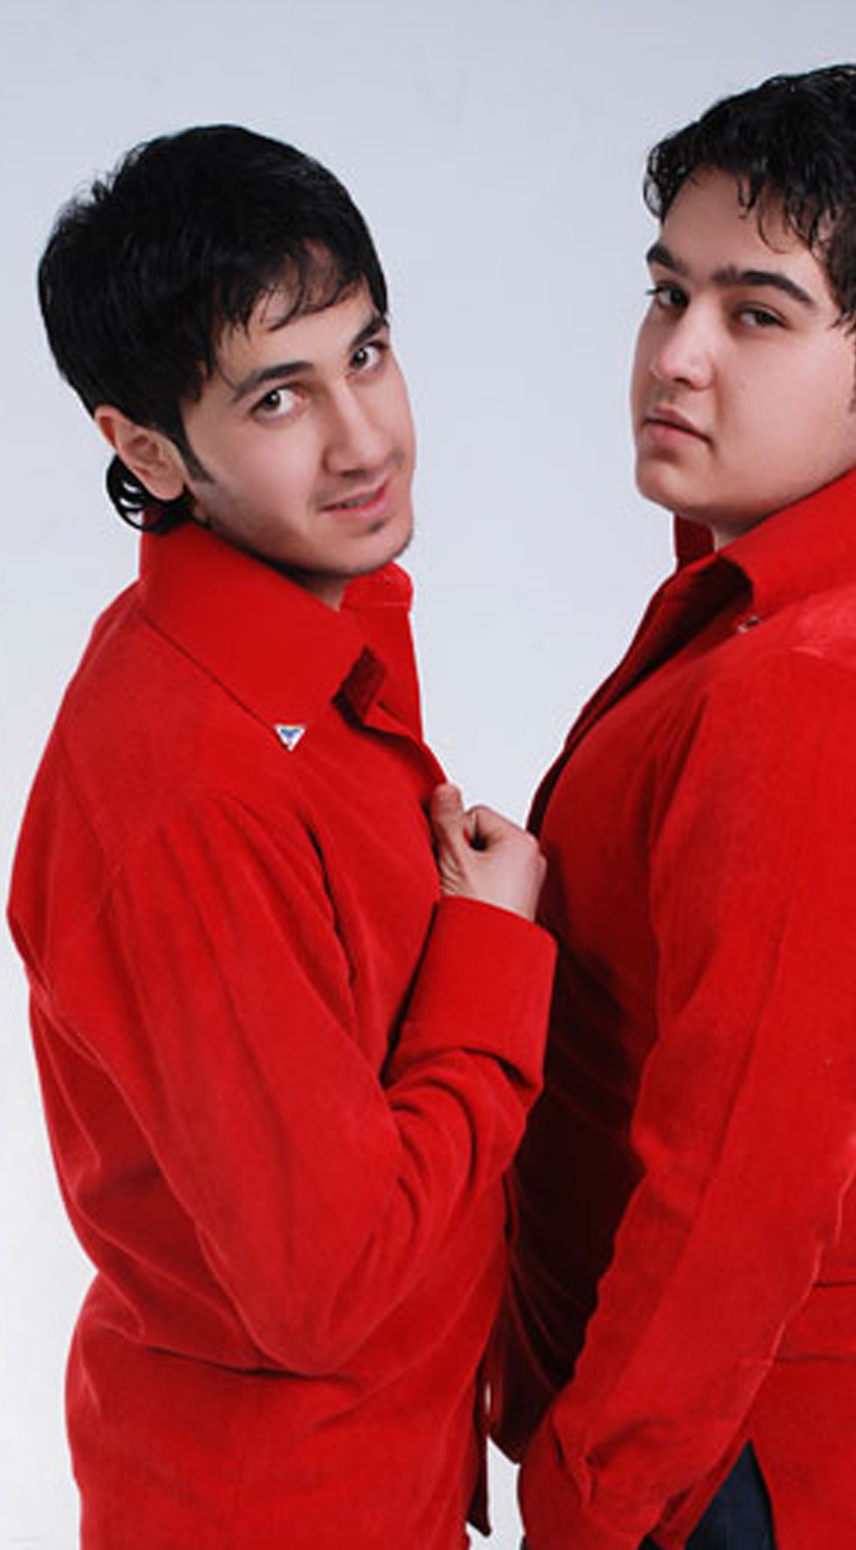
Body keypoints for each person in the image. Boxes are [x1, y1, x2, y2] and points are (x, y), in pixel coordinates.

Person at [492, 65, 856, 1550]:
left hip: (732, 1468)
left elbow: (740, 1193)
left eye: (756, 315)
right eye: (666, 293)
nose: (674, 357)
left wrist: (587, 1507)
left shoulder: (824, 690)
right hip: (764, 1434)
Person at [7, 125, 555, 1550]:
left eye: (366, 353)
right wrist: (491, 954)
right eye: (278, 397)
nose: (363, 438)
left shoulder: (324, 620)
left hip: (390, 1471)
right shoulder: (185, 787)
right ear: (148, 449)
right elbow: (326, 1284)